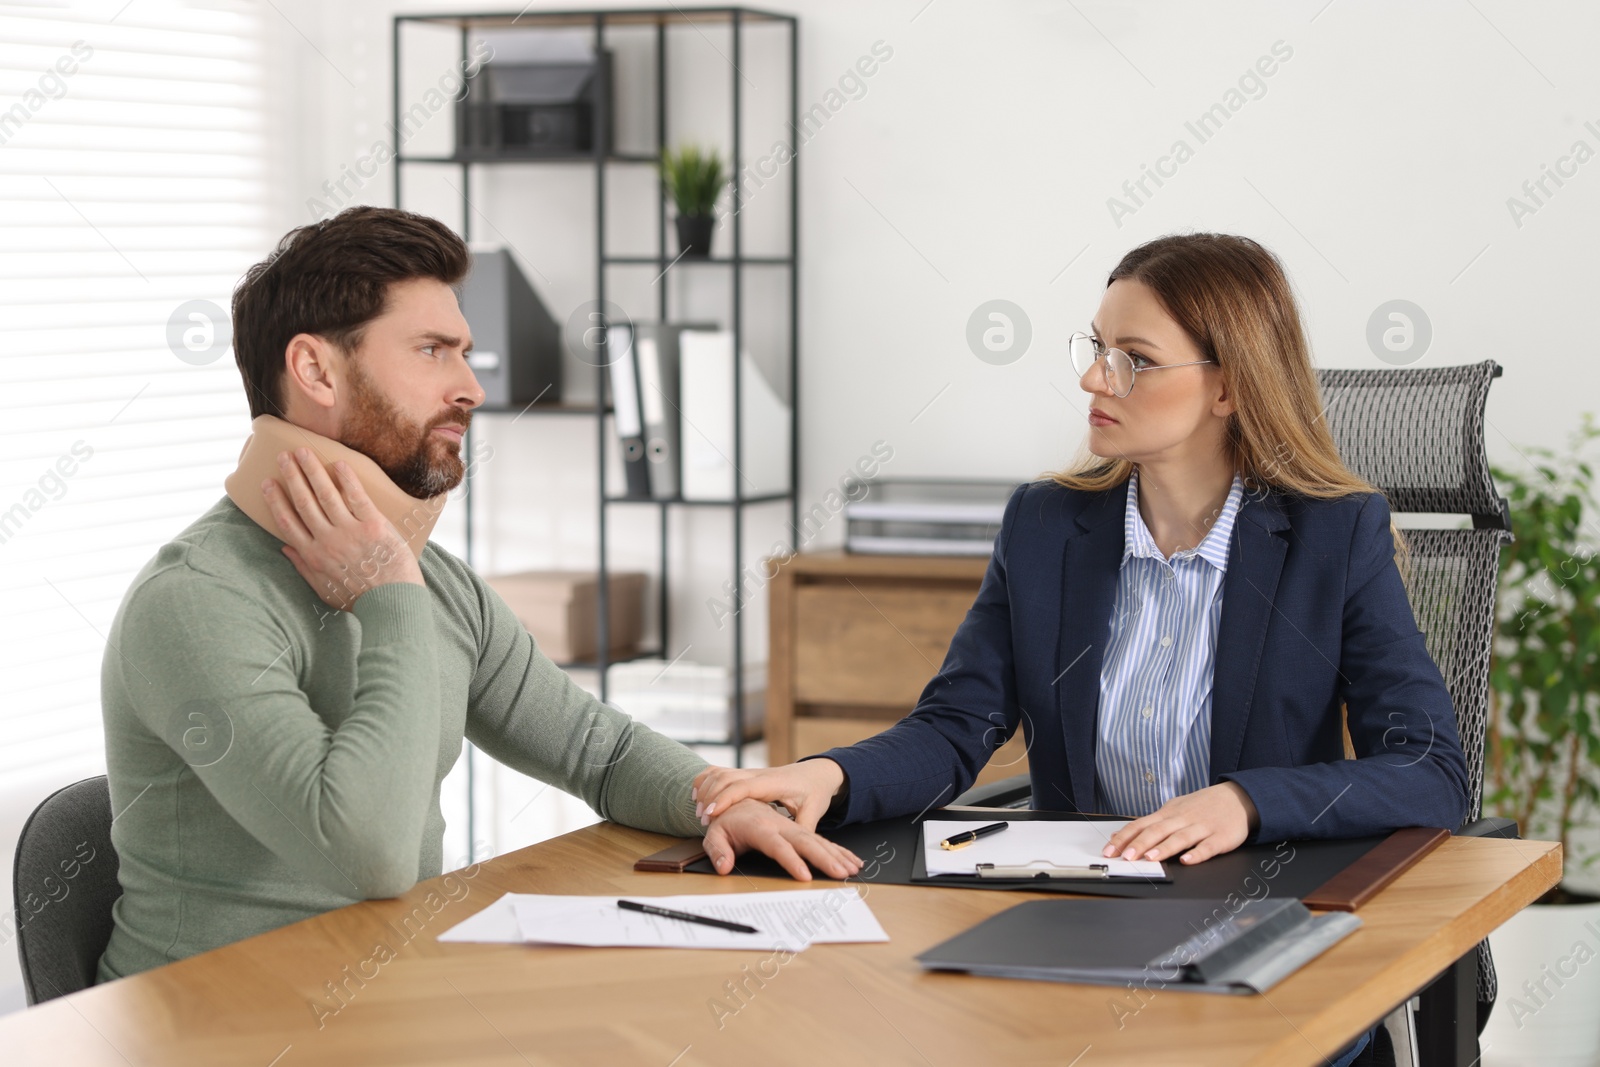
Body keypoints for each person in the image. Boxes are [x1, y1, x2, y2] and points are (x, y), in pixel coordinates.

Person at [692, 233, 1469, 1066]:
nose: (1095, 378)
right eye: (1096, 348)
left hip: (1256, 925)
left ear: (1227, 386)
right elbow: (958, 722)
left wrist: (1244, 801)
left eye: (1134, 359)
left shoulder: (1331, 536)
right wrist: (830, 775)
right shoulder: (1046, 525)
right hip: (1073, 930)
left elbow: (1430, 770)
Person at [96, 206, 859, 983]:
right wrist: (390, 598)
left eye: (462, 352)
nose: (471, 387)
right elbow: (372, 854)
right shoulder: (195, 602)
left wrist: (717, 800)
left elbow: (596, 748)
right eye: (433, 351)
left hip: (382, 999)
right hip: (212, 1029)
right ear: (317, 370)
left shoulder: (439, 582)